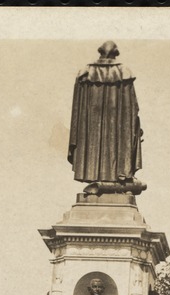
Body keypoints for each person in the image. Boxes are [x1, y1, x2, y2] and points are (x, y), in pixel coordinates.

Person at [68, 41, 144, 188]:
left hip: (91, 125)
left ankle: (93, 174)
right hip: (118, 125)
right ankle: (117, 176)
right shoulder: (124, 72)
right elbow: (133, 107)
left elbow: (78, 111)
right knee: (115, 139)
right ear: (116, 53)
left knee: (94, 139)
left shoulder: (86, 73)